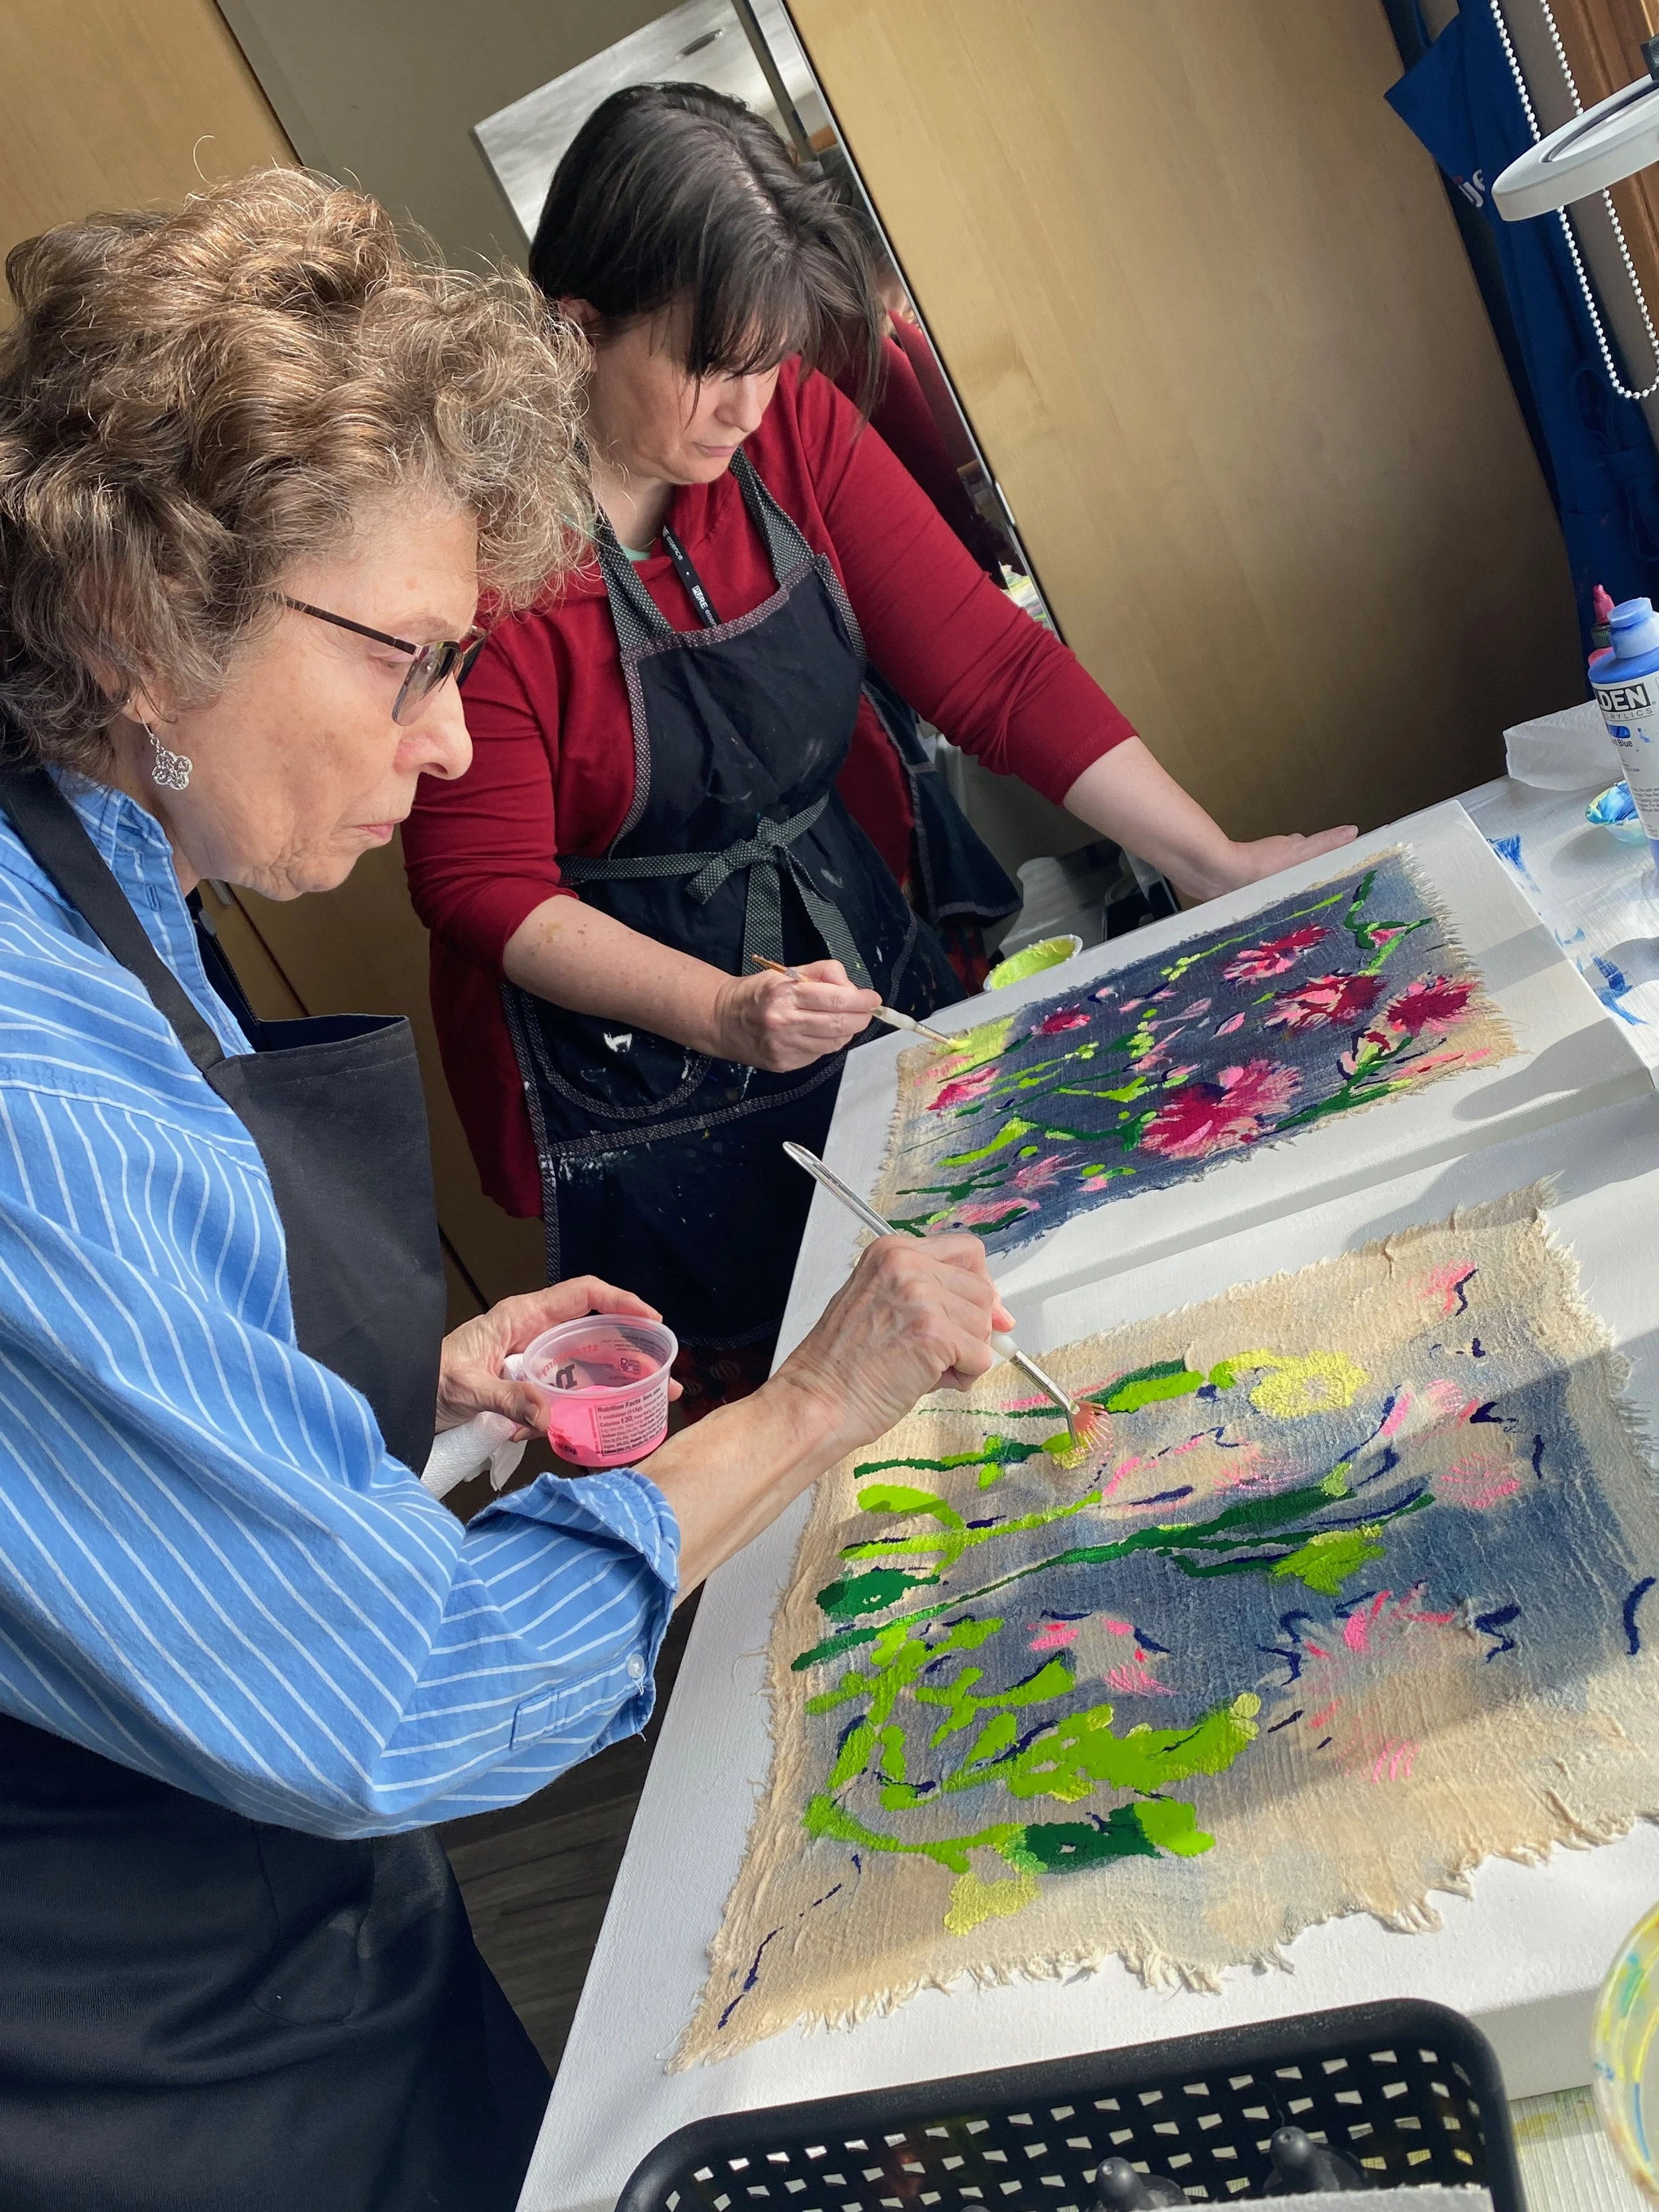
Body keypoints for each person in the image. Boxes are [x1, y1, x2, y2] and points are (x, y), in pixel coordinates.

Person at [0, 168, 1013, 2212]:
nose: (458, 742)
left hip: (300, 1906)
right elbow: (405, 1691)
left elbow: (108, 1398)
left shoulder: (108, 844)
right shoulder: (34, 1096)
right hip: (142, 2048)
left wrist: (404, 1388)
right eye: (408, 662)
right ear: (130, 618)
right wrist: (810, 1408)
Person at [403, 82, 1358, 1413]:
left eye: (765, 363)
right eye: (708, 367)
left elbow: (990, 666)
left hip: (844, 945)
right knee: (792, 1408)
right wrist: (723, 1010)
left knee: (980, 1333)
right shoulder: (475, 545)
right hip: (631, 1070)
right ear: (577, 330)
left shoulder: (785, 425)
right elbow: (482, 886)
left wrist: (1206, 856)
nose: (746, 407)